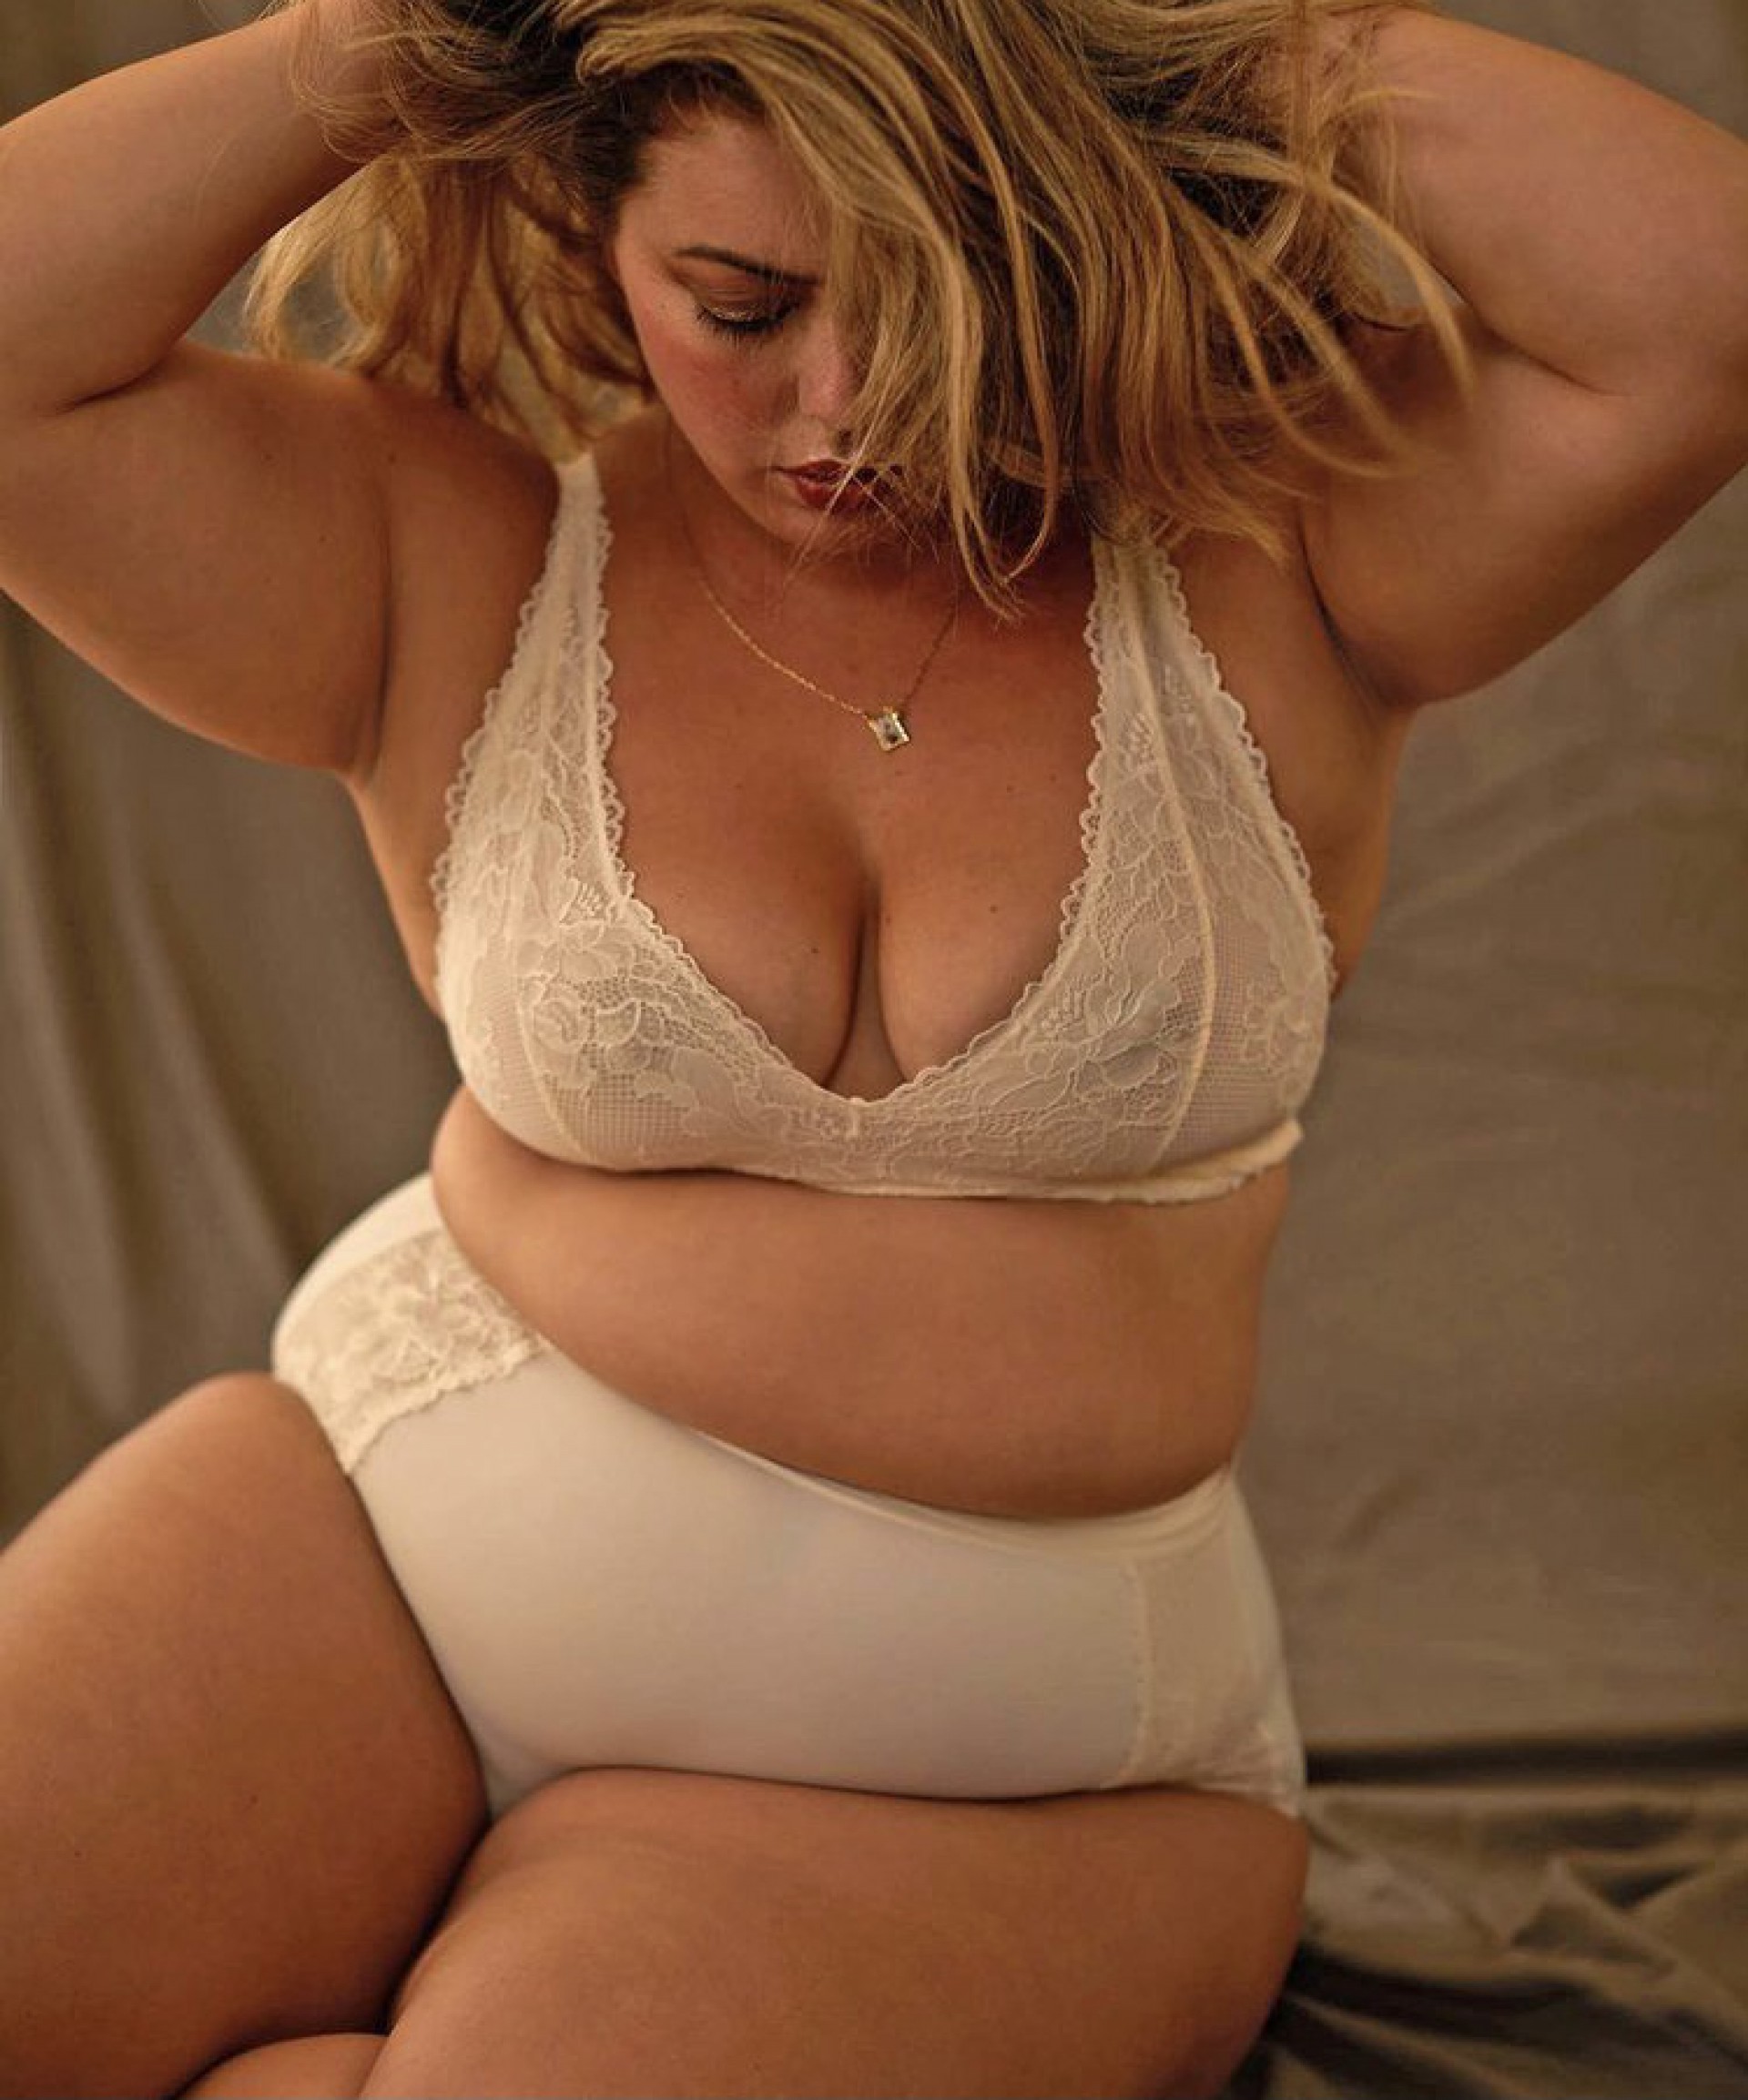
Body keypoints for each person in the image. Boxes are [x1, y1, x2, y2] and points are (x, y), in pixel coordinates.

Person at [0, 0, 1743, 2091]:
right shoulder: (446, 555)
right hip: (378, 1541)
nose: (846, 402)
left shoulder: (1278, 548)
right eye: (742, 305)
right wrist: (434, 28)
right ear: (599, 223)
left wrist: (1190, 51)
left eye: (948, 299)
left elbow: (1703, 307)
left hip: (988, 1774)